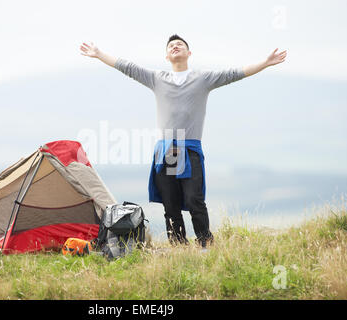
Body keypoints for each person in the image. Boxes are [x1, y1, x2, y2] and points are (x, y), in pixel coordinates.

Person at [80, 34, 287, 248]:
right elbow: (128, 67)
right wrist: (99, 54)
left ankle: (205, 243)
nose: (175, 46)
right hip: (168, 150)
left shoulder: (203, 79)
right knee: (171, 204)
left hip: (189, 148)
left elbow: (235, 74)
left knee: (194, 200)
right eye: (171, 45)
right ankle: (179, 247)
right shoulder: (157, 78)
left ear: (189, 53)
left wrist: (266, 62)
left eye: (180, 44)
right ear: (167, 56)